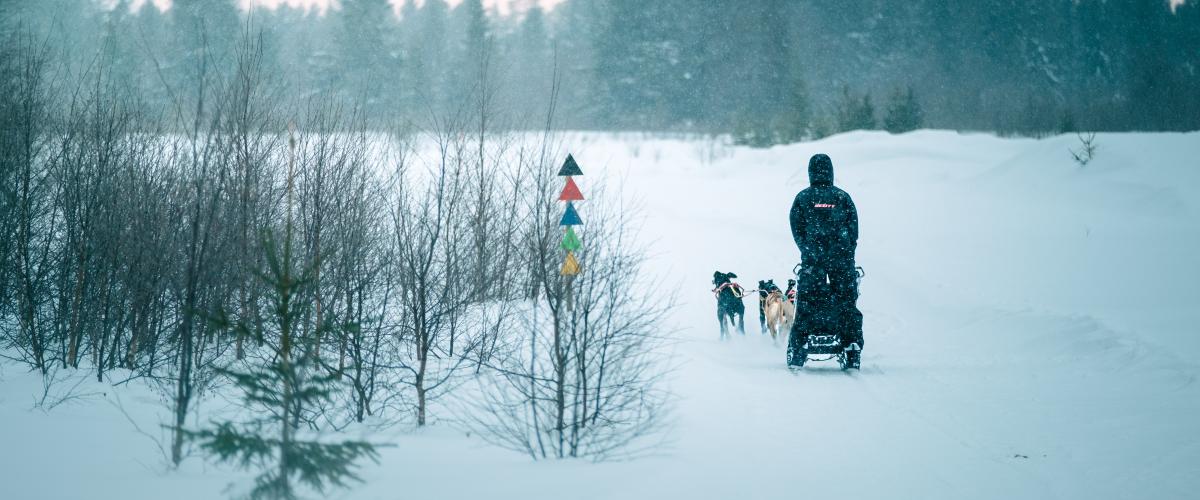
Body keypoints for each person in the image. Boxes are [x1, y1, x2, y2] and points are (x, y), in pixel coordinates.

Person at [787, 153, 864, 368]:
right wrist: (847, 250)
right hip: (841, 259)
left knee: (808, 301)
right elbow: (854, 228)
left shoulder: (803, 198)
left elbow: (796, 227)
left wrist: (807, 248)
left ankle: (801, 343)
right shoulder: (842, 197)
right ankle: (851, 345)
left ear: (811, 172)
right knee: (846, 302)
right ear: (830, 171)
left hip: (813, 260)